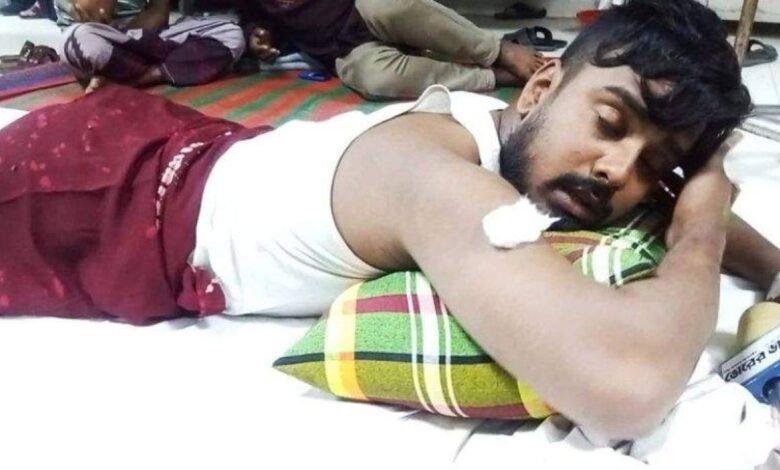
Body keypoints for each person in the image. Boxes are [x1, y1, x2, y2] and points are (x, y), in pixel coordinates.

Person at [0, 0, 774, 440]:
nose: (618, 171)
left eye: (656, 164)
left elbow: (647, 192)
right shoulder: (427, 176)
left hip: (206, 140)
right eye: (609, 123)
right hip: (101, 197)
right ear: (539, 89)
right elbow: (626, 388)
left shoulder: (533, 151)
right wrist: (703, 221)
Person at [238, 0, 546, 99]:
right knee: (376, 79)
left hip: (365, 9)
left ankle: (498, 50)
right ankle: (493, 76)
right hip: (345, 49)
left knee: (391, 6)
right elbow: (254, 21)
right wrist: (257, 36)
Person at [56, 0, 245, 92]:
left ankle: (141, 78)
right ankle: (170, 67)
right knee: (76, 41)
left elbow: (159, 16)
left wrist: (135, 40)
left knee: (231, 33)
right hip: (99, 39)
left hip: (146, 39)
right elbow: (89, 16)